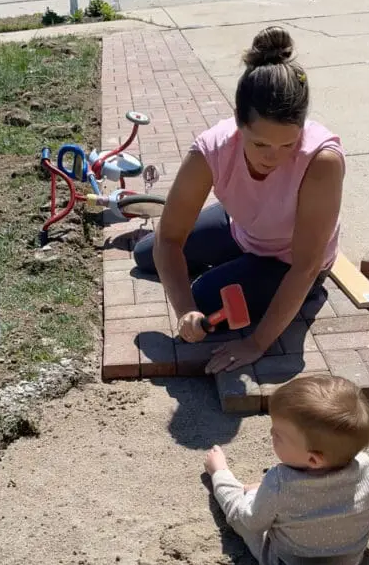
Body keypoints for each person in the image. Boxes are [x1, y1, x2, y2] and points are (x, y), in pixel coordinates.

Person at [133, 25, 345, 374]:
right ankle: (237, 266)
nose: (273, 157)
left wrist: (256, 343)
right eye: (260, 143)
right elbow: (169, 238)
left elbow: (306, 264)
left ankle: (300, 294)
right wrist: (184, 311)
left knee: (204, 296)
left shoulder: (321, 161)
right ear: (238, 122)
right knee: (147, 254)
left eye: (287, 145)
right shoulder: (212, 149)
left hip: (289, 260)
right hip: (243, 228)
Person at [203, 375, 369, 565]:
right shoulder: (368, 470)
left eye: (277, 435)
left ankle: (220, 473)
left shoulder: (279, 482)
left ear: (313, 460)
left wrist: (249, 490)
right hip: (350, 563)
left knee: (241, 516)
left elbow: (251, 521)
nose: (271, 434)